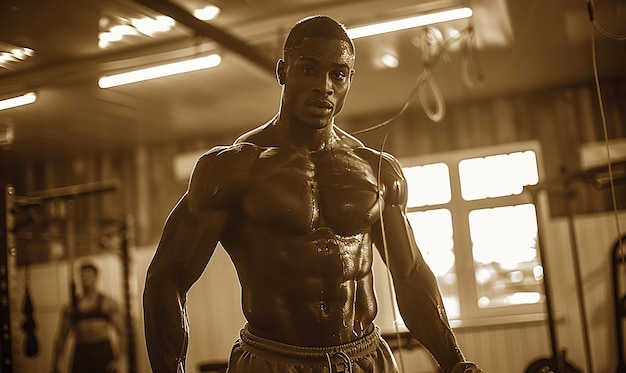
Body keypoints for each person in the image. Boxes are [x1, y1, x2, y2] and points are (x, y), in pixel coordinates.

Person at [144, 15, 483, 373]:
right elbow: (166, 278)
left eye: (338, 74)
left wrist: (455, 363)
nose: (325, 86)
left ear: (350, 79)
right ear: (282, 72)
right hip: (274, 361)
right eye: (309, 70)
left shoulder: (376, 169)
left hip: (366, 359)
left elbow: (411, 274)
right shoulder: (233, 169)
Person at [51, 262, 124, 373]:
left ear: (96, 277)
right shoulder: (71, 307)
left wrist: (119, 360)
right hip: (81, 351)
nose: (85, 278)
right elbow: (61, 337)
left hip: (102, 350)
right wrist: (55, 364)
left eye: (89, 275)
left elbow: (122, 332)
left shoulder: (108, 304)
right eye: (82, 275)